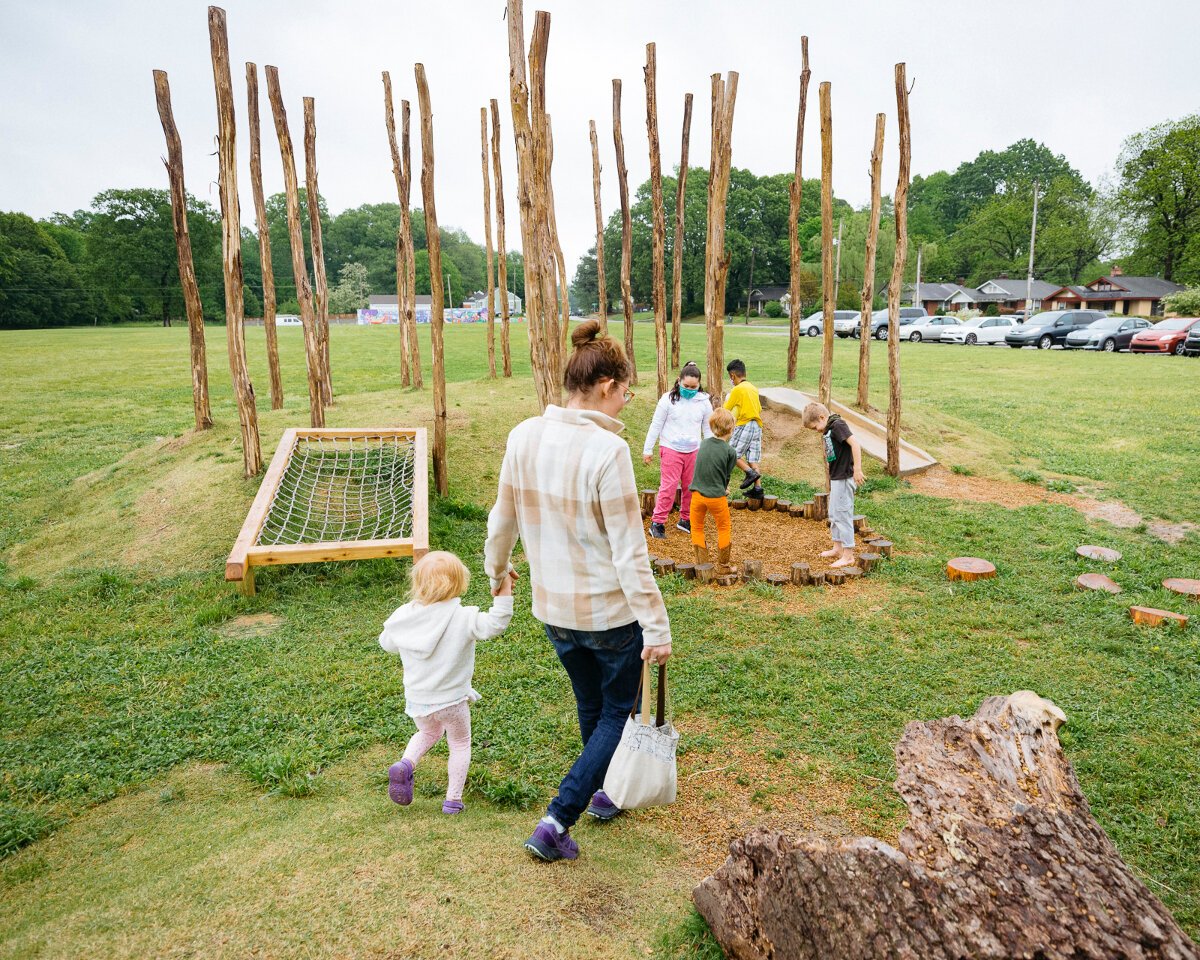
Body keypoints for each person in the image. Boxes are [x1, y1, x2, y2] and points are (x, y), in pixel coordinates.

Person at [484, 319, 673, 863]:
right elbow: (631, 554)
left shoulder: (523, 435)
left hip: (554, 611)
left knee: (593, 706)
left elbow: (502, 521)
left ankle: (604, 793)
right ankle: (557, 818)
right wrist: (657, 627)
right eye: (626, 393)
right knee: (618, 711)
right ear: (607, 386)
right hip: (611, 617)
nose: (626, 404)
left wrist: (497, 572)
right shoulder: (607, 452)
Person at [379, 550, 515, 815]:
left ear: (417, 583)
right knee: (460, 743)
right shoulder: (462, 617)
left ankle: (406, 764)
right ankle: (453, 800)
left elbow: (386, 643)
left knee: (428, 732)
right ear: (458, 583)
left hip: (419, 699)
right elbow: (496, 624)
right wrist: (505, 591)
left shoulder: (405, 616)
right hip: (452, 700)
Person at [643, 361, 714, 540]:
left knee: (691, 487)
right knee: (669, 487)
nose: (689, 389)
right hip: (671, 448)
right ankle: (657, 522)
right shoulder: (668, 399)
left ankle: (686, 519)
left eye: (693, 387)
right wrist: (648, 449)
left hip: (693, 450)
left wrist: (712, 449)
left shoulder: (704, 402)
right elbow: (656, 424)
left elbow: (707, 428)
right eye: (686, 386)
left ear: (699, 385)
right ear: (678, 381)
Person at [801, 402, 866, 568]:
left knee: (843, 514)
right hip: (837, 477)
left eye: (815, 427)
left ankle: (848, 555)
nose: (816, 430)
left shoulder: (838, 425)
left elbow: (855, 444)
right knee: (834, 514)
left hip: (845, 477)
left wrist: (857, 469)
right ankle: (837, 548)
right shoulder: (829, 429)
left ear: (822, 417)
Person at [688, 408, 738, 572]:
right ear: (731, 429)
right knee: (723, 528)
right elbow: (726, 475)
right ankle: (723, 566)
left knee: (697, 528)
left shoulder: (703, 443)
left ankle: (702, 565)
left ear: (711, 427)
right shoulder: (730, 451)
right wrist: (724, 488)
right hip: (716, 497)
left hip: (696, 495)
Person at [723, 359, 764, 493]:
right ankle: (758, 489)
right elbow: (759, 408)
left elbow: (726, 409)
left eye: (731, 378)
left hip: (744, 424)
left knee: (732, 454)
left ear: (732, 376)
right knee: (752, 458)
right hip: (757, 425)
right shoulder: (753, 388)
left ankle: (749, 473)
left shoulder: (737, 389)